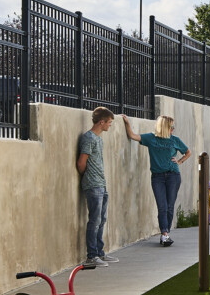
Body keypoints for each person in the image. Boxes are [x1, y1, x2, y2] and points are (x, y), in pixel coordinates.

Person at [121, 113, 191, 247]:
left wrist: (179, 162)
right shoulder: (151, 138)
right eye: (171, 127)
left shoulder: (174, 139)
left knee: (170, 207)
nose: (173, 129)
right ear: (165, 127)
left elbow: (188, 152)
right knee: (162, 206)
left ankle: (166, 233)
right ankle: (164, 234)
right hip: (157, 177)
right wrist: (127, 123)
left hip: (173, 176)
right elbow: (133, 136)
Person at [76, 107, 119, 269]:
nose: (110, 125)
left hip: (101, 183)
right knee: (94, 220)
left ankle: (100, 252)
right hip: (93, 185)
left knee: (102, 219)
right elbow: (81, 162)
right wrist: (88, 177)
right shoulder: (89, 138)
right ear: (102, 122)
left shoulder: (99, 138)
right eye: (109, 123)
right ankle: (91, 256)